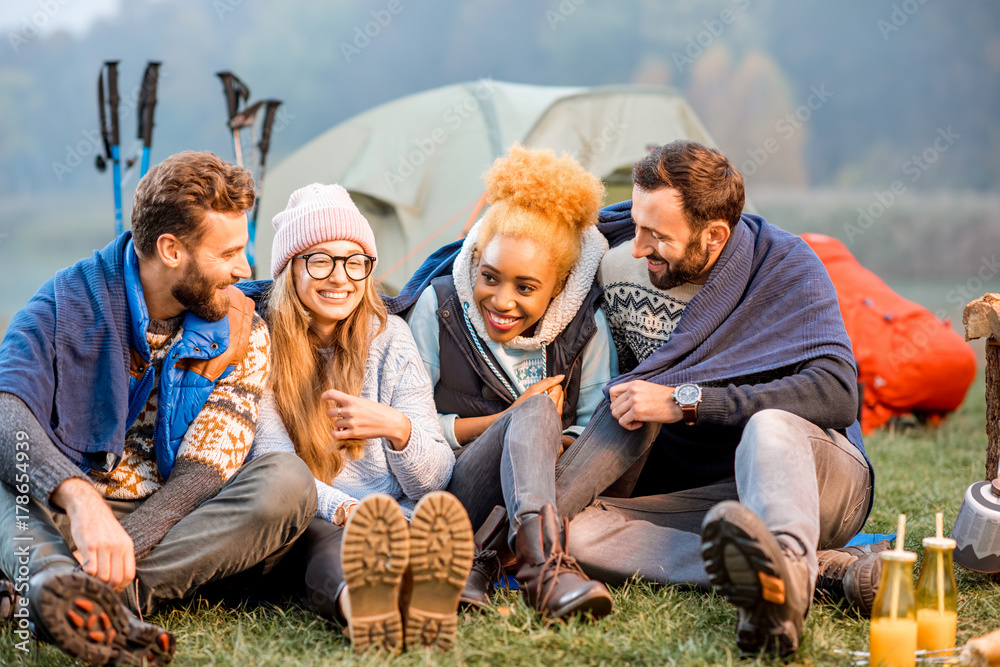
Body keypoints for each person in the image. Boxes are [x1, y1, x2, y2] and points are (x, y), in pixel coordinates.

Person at [558, 139, 880, 657]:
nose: (637, 247)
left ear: (713, 236)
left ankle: (784, 593)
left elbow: (837, 393)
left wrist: (686, 401)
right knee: (571, 537)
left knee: (770, 426)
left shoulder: (784, 265)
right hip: (707, 502)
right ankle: (813, 572)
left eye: (656, 235)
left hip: (813, 482)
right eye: (635, 224)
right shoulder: (611, 252)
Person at [0, 151, 317, 665]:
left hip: (169, 520)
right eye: (229, 253)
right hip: (62, 514)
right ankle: (65, 590)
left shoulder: (243, 330)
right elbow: (6, 407)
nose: (245, 269)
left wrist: (122, 543)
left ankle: (58, 591)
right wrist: (80, 502)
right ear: (170, 249)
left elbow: (205, 469)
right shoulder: (63, 303)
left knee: (287, 483)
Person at [245, 183, 472, 653]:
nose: (341, 277)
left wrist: (397, 428)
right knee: (327, 541)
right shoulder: (260, 343)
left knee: (407, 526)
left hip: (395, 517)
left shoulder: (390, 337)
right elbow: (274, 465)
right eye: (321, 260)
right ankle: (362, 607)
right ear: (290, 268)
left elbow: (434, 481)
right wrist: (347, 510)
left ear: (368, 269)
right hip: (310, 515)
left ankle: (415, 593)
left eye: (355, 261)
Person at [400, 144, 616, 618]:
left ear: (557, 286)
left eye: (525, 287)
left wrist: (541, 447)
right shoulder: (437, 312)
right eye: (490, 277)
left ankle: (487, 560)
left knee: (625, 412)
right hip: (454, 492)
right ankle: (546, 568)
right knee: (537, 409)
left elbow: (595, 424)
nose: (500, 301)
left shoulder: (588, 327)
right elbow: (405, 431)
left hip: (555, 485)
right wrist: (511, 421)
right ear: (475, 261)